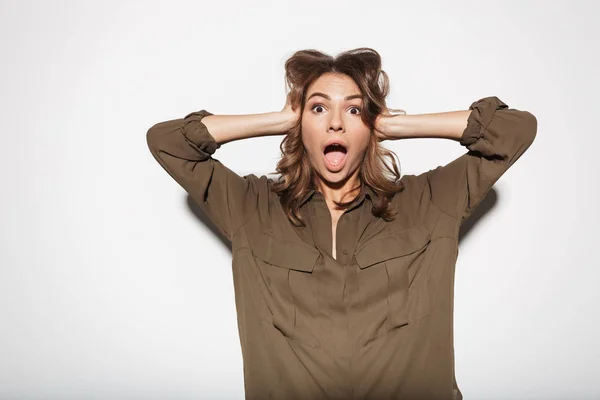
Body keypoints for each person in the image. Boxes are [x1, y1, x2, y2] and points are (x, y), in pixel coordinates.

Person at [146, 47, 537, 399]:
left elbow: (514, 130)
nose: (336, 122)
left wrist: (394, 125)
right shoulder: (251, 207)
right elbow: (168, 142)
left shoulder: (431, 201)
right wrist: (281, 119)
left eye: (353, 110)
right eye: (318, 108)